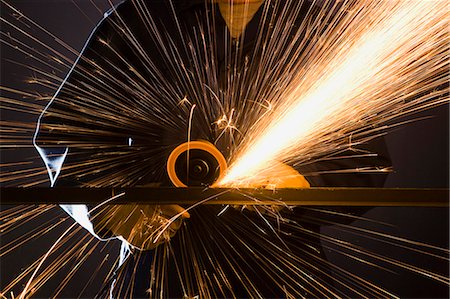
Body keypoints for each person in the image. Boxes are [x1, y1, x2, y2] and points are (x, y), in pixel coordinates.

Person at [34, 0, 390, 297]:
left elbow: (364, 158)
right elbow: (66, 134)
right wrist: (112, 208)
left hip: (282, 275)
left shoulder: (317, 27)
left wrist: (299, 179)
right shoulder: (143, 17)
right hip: (161, 275)